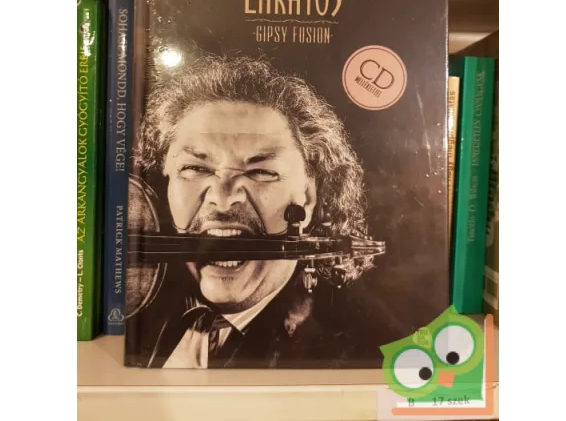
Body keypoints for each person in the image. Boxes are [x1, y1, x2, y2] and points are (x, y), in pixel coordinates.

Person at [124, 54, 393, 369]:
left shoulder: (358, 349)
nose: (223, 199)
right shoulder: (136, 315)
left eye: (261, 172)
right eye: (196, 168)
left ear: (308, 197)